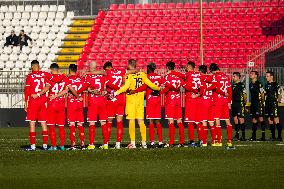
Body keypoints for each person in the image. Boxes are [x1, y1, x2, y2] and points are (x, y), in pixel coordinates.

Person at [113, 59, 160, 149]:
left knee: (131, 121)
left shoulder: (129, 75)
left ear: (129, 65)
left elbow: (126, 87)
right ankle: (144, 143)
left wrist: (115, 93)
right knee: (141, 122)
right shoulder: (142, 74)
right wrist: (158, 88)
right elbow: (150, 84)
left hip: (131, 100)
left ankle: (133, 143)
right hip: (140, 101)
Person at [131, 62, 165, 148]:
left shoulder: (147, 77)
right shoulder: (159, 77)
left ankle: (152, 142)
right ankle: (160, 142)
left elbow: (143, 87)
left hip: (150, 101)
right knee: (157, 121)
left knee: (150, 121)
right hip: (157, 100)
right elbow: (163, 86)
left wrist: (134, 91)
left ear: (149, 68)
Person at [76, 61, 108, 150]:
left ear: (90, 66)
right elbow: (105, 85)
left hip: (93, 101)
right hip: (102, 100)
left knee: (92, 123)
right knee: (103, 123)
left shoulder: (87, 76)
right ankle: (105, 144)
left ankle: (91, 144)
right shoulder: (102, 75)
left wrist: (92, 91)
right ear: (96, 66)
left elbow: (86, 87)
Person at [24, 60, 51, 151]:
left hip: (33, 102)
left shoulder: (30, 76)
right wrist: (40, 94)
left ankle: (33, 146)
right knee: (43, 123)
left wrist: (26, 103)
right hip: (43, 101)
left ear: (32, 67)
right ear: (38, 66)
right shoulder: (45, 74)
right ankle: (45, 146)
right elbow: (48, 87)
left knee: (32, 123)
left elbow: (27, 91)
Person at [209, 63, 233, 147]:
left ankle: (219, 141)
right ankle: (229, 141)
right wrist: (229, 101)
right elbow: (230, 90)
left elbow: (215, 88)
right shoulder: (226, 76)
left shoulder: (215, 76)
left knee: (217, 120)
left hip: (218, 100)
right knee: (227, 120)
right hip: (225, 101)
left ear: (213, 70)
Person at [163, 61, 185, 148]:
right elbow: (184, 86)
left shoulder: (167, 77)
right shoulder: (179, 77)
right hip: (178, 100)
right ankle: (181, 142)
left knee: (171, 121)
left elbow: (166, 88)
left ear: (168, 68)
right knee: (179, 121)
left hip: (170, 101)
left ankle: (171, 142)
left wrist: (160, 92)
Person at [67, 64, 86, 150]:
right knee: (80, 124)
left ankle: (73, 145)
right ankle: (82, 144)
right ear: (76, 70)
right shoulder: (81, 79)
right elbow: (86, 88)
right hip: (79, 103)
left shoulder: (68, 79)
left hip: (72, 103)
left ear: (69, 70)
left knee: (72, 124)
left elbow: (67, 90)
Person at [198, 65, 215, 146]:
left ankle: (204, 142)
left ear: (200, 71)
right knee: (211, 122)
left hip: (204, 102)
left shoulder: (201, 78)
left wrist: (196, 95)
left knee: (204, 122)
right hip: (211, 101)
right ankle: (214, 141)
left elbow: (201, 91)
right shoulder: (211, 78)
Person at [264, 71, 282, 141]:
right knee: (270, 120)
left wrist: (278, 100)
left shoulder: (275, 84)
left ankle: (279, 137)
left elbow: (280, 93)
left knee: (276, 119)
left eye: (267, 76)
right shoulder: (266, 85)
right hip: (268, 104)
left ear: (271, 77)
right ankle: (273, 137)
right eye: (266, 76)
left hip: (273, 104)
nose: (266, 77)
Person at [249, 71, 265, 141]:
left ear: (256, 76)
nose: (250, 75)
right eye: (250, 73)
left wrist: (262, 102)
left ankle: (263, 136)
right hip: (253, 104)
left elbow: (262, 93)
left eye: (252, 74)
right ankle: (253, 136)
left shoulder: (259, 84)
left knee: (261, 118)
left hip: (259, 104)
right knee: (254, 120)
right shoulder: (250, 84)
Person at [232, 72, 247, 141]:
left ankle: (243, 136)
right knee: (235, 119)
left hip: (240, 103)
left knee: (241, 119)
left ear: (238, 77)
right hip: (234, 104)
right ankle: (237, 135)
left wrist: (245, 102)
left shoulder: (241, 85)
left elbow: (244, 94)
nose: (233, 77)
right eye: (233, 76)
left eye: (234, 76)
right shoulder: (232, 85)